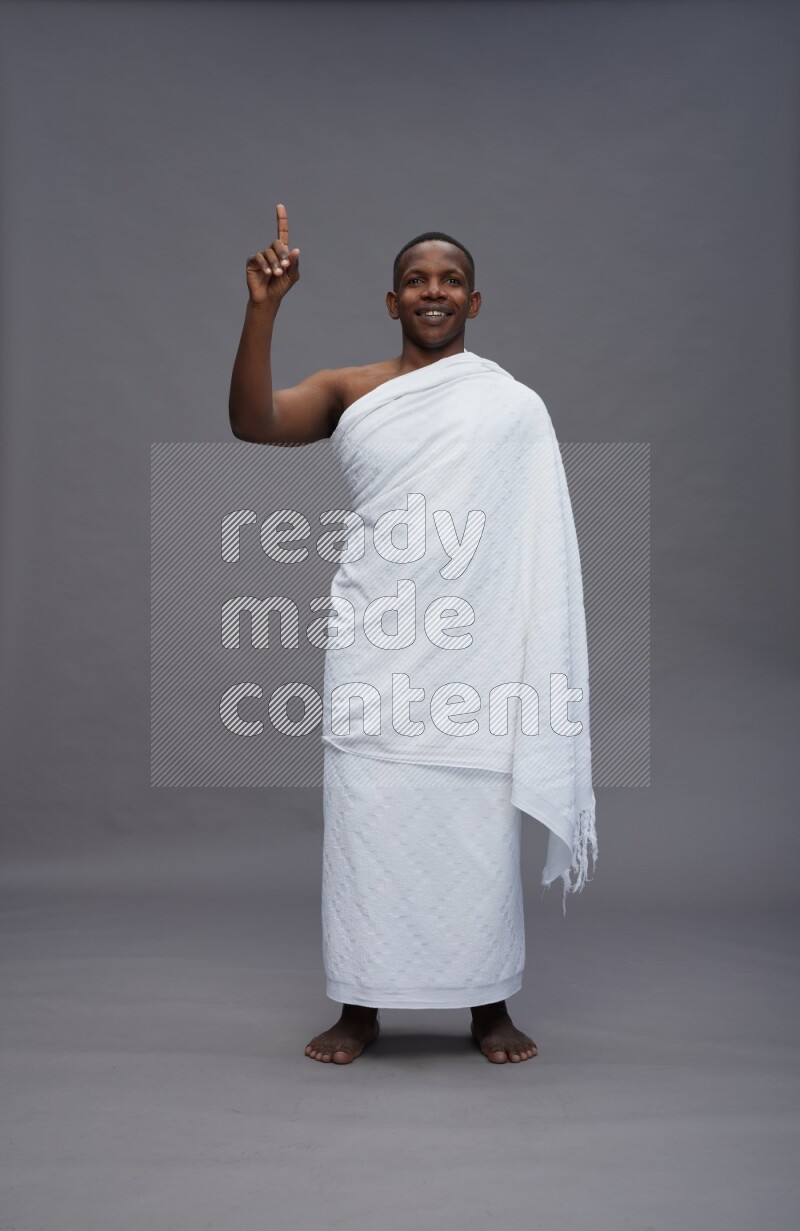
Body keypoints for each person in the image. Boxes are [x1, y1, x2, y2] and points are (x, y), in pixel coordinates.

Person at [229, 204, 568, 1065]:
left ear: (474, 302)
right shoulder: (352, 389)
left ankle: (488, 1003)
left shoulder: (512, 406)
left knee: (475, 827)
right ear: (392, 301)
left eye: (451, 280)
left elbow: (535, 542)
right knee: (368, 823)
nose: (433, 291)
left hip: (474, 649)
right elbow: (255, 421)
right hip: (376, 639)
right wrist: (263, 309)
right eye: (417, 280)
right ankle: (361, 1005)